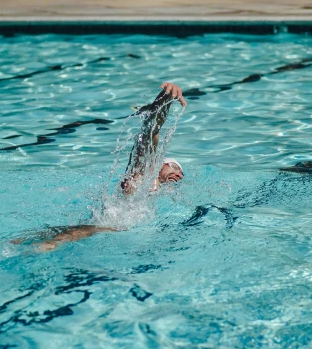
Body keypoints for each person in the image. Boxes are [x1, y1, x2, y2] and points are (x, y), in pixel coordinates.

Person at [12, 82, 187, 252]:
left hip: (100, 226)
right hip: (106, 228)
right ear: (158, 164)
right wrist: (164, 100)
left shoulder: (154, 193)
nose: (178, 174)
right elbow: (150, 131)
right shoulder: (144, 173)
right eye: (174, 166)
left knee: (31, 238)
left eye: (181, 173)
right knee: (49, 244)